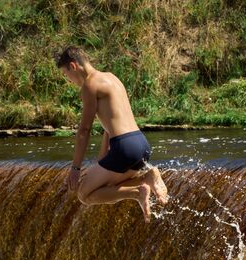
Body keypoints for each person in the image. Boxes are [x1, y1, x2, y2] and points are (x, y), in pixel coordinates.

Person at [56, 46, 168, 222]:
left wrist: (75, 168)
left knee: (85, 194)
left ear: (73, 66)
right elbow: (110, 124)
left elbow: (84, 131)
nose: (68, 80)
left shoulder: (89, 85)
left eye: (65, 74)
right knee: (109, 186)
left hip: (123, 147)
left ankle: (138, 191)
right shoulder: (111, 78)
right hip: (140, 143)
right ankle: (147, 176)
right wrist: (103, 157)